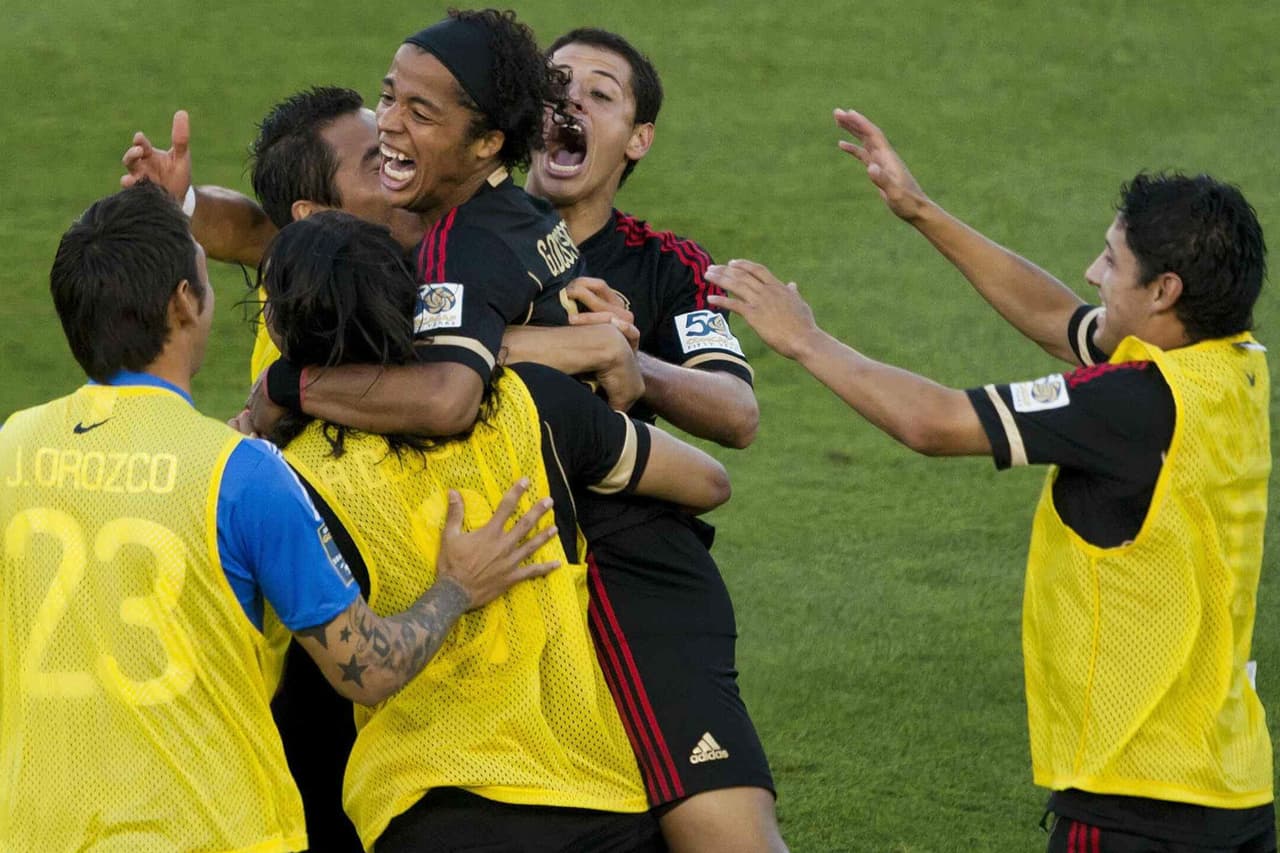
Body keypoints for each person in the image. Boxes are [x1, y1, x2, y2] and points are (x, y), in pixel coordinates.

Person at [706, 109, 1274, 852]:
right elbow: (1061, 319)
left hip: (1136, 800)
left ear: (1164, 290)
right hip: (1234, 785)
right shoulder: (1234, 367)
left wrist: (804, 339)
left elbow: (935, 422)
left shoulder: (1132, 404)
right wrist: (919, 210)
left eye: (1111, 261)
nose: (1092, 272)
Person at [0, 183, 558, 852]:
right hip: (212, 834)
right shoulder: (241, 474)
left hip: (35, 832)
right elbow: (368, 667)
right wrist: (456, 588)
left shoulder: (12, 446)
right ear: (183, 302)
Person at [256, 211, 734, 851]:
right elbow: (708, 481)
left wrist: (453, 592)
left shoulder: (290, 478)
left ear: (279, 329)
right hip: (598, 795)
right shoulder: (531, 402)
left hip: (431, 805)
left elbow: (362, 669)